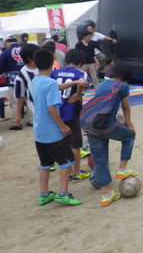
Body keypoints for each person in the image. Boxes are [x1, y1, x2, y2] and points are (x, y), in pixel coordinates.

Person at [31, 48, 82, 206]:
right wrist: (62, 126)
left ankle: (44, 194)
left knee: (45, 164)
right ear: (52, 63)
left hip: (39, 132)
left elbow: (54, 88)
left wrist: (74, 83)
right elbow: (51, 108)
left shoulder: (36, 80)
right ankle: (63, 193)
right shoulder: (51, 83)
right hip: (53, 132)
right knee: (66, 163)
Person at [86, 62, 138, 207]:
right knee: (129, 136)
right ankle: (122, 169)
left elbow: (102, 107)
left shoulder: (101, 85)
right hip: (105, 125)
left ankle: (106, 195)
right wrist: (129, 125)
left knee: (99, 160)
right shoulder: (123, 86)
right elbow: (126, 108)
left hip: (89, 124)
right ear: (125, 77)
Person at [51, 49, 91, 182]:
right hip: (71, 112)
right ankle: (77, 172)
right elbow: (84, 82)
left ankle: (66, 171)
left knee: (62, 143)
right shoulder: (81, 73)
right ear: (80, 62)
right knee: (75, 144)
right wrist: (78, 94)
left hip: (57, 112)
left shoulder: (54, 73)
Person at [12, 44, 40, 130]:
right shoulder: (22, 75)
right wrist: (18, 115)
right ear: (29, 58)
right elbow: (20, 96)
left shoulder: (45, 67)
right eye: (37, 54)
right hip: (36, 109)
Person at [0, 36, 24, 125]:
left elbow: (1, 67)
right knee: (29, 101)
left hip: (13, 79)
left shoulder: (5, 52)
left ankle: (16, 122)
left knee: (15, 102)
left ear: (7, 43)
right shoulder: (24, 49)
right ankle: (32, 120)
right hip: (27, 78)